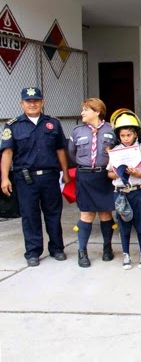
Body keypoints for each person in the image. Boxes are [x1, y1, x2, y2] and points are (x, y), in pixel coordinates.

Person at [0, 87, 70, 267]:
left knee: (53, 214)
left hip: (49, 177)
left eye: (36, 101)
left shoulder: (53, 124)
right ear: (21, 103)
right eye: (28, 101)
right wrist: (4, 178)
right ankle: (33, 251)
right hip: (25, 179)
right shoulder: (13, 125)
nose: (33, 104)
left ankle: (57, 248)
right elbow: (7, 153)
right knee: (29, 216)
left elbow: (60, 149)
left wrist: (66, 173)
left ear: (42, 102)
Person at [68, 98, 117, 268]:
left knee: (105, 214)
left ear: (97, 111)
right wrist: (87, 164)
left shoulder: (112, 130)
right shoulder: (77, 131)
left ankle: (107, 248)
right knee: (86, 214)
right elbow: (72, 154)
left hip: (104, 176)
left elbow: (118, 152)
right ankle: (82, 251)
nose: (82, 113)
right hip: (85, 176)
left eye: (86, 110)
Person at [106, 110, 141, 270]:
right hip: (120, 192)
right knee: (123, 223)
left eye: (129, 135)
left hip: (138, 191)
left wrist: (136, 173)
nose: (126, 138)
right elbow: (110, 174)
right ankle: (126, 254)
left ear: (136, 134)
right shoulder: (115, 152)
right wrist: (119, 172)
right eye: (123, 135)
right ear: (118, 136)